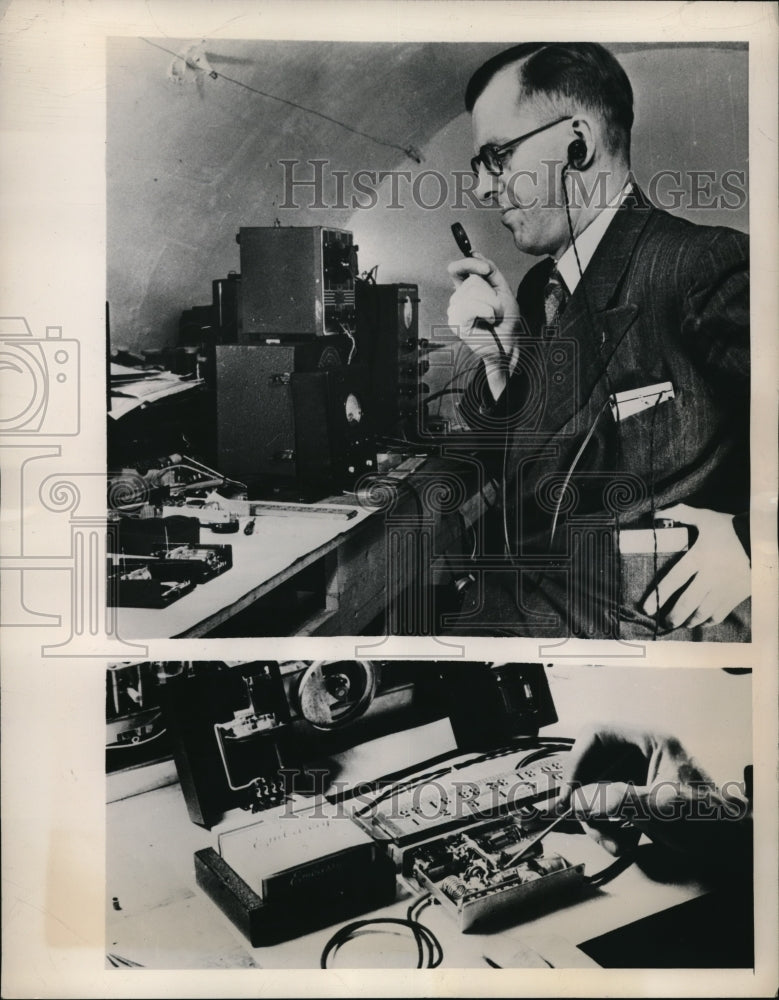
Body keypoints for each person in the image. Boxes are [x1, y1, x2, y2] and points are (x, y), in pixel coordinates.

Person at [446, 43, 750, 640]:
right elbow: (524, 485)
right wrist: (502, 360)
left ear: (577, 144)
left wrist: (751, 539)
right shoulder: (539, 291)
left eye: (497, 158)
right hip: (528, 617)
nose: (484, 189)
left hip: (639, 638)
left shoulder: (702, 265)